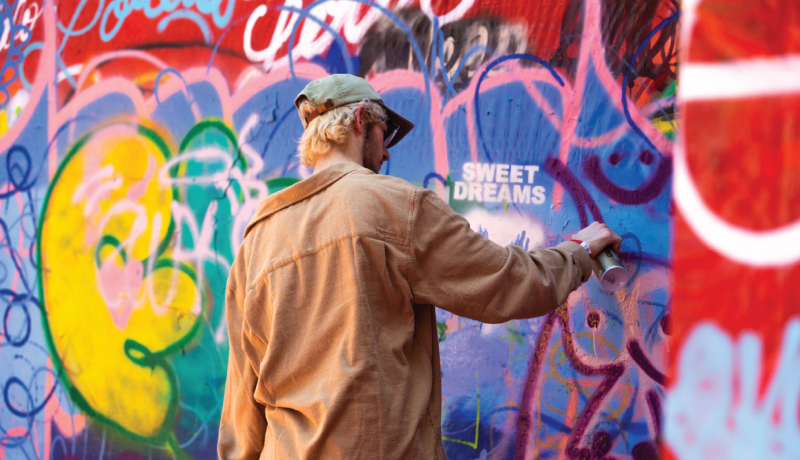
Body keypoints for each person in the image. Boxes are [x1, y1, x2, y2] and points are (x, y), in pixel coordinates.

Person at [218, 74, 622, 460]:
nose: (387, 151)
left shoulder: (257, 239)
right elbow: (510, 284)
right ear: (361, 120)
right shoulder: (397, 207)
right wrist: (580, 252)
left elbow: (241, 408)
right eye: (385, 134)